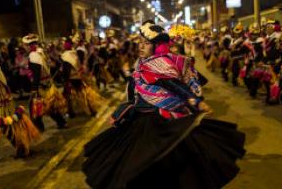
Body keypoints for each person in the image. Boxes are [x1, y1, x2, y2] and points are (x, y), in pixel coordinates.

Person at [82, 22, 245, 187]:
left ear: (157, 46)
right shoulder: (143, 63)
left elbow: (174, 85)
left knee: (162, 167)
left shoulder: (161, 64)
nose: (141, 46)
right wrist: (122, 110)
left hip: (159, 121)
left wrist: (196, 101)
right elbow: (135, 93)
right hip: (141, 119)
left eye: (146, 43)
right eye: (140, 42)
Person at [22, 34, 68, 131]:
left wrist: (34, 89)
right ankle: (61, 122)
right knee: (49, 106)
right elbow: (51, 65)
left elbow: (36, 74)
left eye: (25, 45)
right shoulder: (41, 52)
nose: (24, 47)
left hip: (41, 86)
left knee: (34, 107)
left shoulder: (34, 56)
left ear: (30, 45)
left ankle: (39, 127)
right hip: (48, 84)